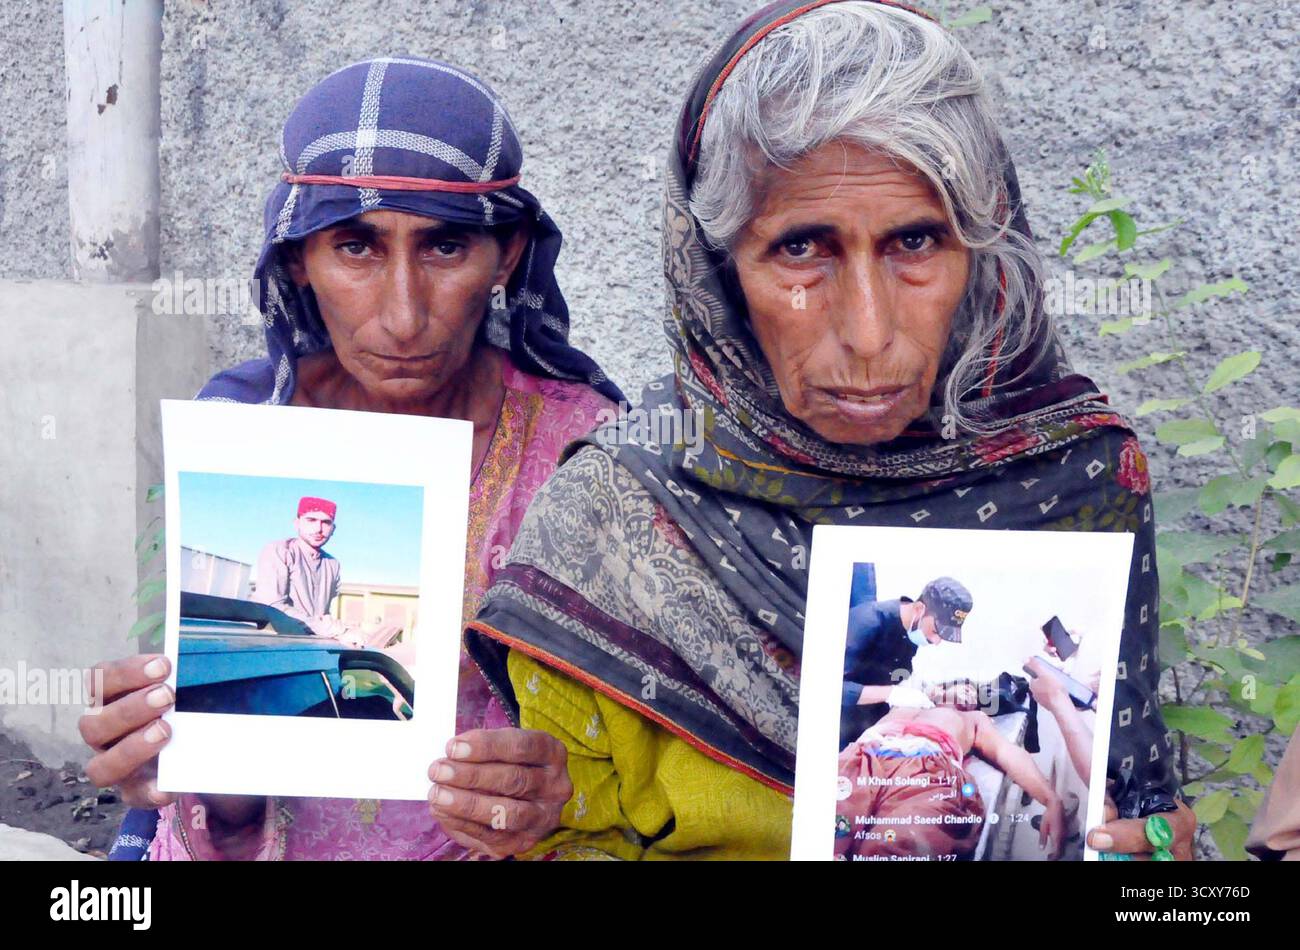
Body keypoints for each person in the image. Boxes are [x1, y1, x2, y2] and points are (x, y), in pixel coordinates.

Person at [466, 0, 1195, 860]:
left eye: (917, 241)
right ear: (719, 272)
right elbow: (572, 839)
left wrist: (1161, 867)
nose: (869, 332)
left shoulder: (1080, 479)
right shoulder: (619, 518)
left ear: (982, 252)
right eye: (802, 250)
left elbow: (1150, 833)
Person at [80, 57, 620, 860]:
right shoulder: (235, 433)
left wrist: (564, 790)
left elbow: (639, 745)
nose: (402, 317)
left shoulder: (579, 452)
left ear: (506, 257)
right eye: (356, 248)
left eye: (445, 247)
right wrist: (173, 744)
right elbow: (205, 737)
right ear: (298, 258)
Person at [835, 703, 1065, 861]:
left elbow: (1006, 751)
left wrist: (1050, 799)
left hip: (926, 769)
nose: (963, 692)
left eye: (970, 690)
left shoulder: (972, 719)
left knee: (902, 841)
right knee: (829, 826)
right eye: (959, 685)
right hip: (864, 756)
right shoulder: (909, 700)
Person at [840, 576, 972, 748]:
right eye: (935, 631)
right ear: (918, 608)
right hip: (841, 725)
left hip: (874, 722)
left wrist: (929, 691)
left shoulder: (911, 630)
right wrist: (891, 693)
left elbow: (900, 673)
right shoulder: (867, 622)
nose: (937, 641)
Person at [253, 495, 399, 649]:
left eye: (326, 522)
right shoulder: (280, 551)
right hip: (277, 644)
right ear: (297, 523)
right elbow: (272, 606)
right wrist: (337, 630)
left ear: (333, 529)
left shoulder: (332, 564)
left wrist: (346, 631)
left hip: (313, 644)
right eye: (311, 520)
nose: (318, 529)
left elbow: (323, 613)